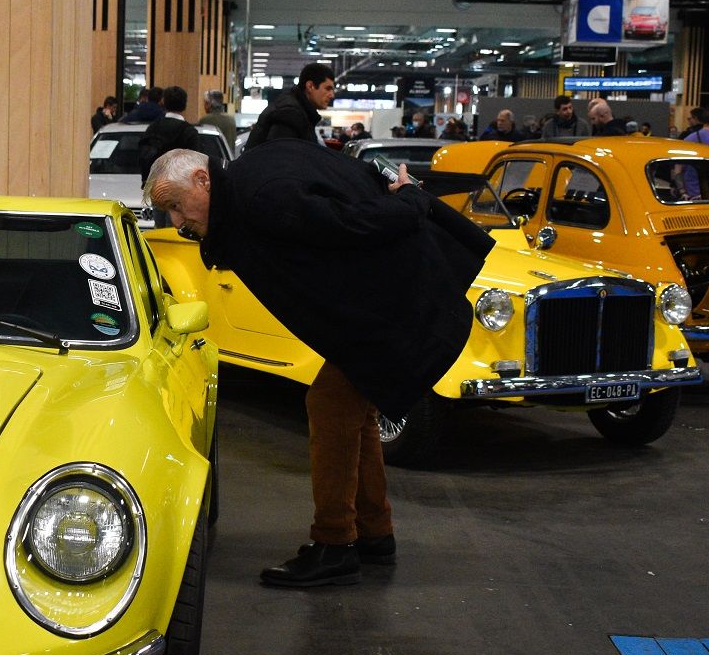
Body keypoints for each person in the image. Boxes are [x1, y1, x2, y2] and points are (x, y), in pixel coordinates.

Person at [144, 140, 493, 587]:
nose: (177, 221)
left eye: (175, 206)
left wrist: (409, 199)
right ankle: (373, 533)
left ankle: (334, 545)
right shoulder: (258, 171)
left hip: (394, 308)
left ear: (203, 179)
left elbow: (358, 223)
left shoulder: (262, 197)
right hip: (385, 308)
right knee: (352, 410)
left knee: (330, 406)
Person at [246, 63, 335, 148]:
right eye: (327, 89)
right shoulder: (290, 113)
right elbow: (282, 159)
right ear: (310, 86)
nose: (332, 95)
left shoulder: (294, 108)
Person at [135, 85, 202, 175]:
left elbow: (144, 158)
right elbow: (195, 164)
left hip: (156, 183)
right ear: (185, 104)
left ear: (163, 102)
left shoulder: (153, 128)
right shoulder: (189, 132)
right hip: (180, 184)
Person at [673, 106, 709, 198]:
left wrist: (682, 192)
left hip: (689, 194)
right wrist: (703, 194)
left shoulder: (687, 140)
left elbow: (677, 170)